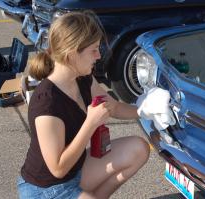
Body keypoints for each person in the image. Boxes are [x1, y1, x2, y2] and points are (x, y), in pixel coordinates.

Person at [17, 11, 150, 199]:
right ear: (72, 54)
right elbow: (58, 169)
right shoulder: (47, 103)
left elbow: (115, 107)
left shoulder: (83, 78)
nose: (98, 56)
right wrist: (91, 123)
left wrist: (147, 111)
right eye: (93, 50)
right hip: (46, 189)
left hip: (78, 170)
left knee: (138, 149)